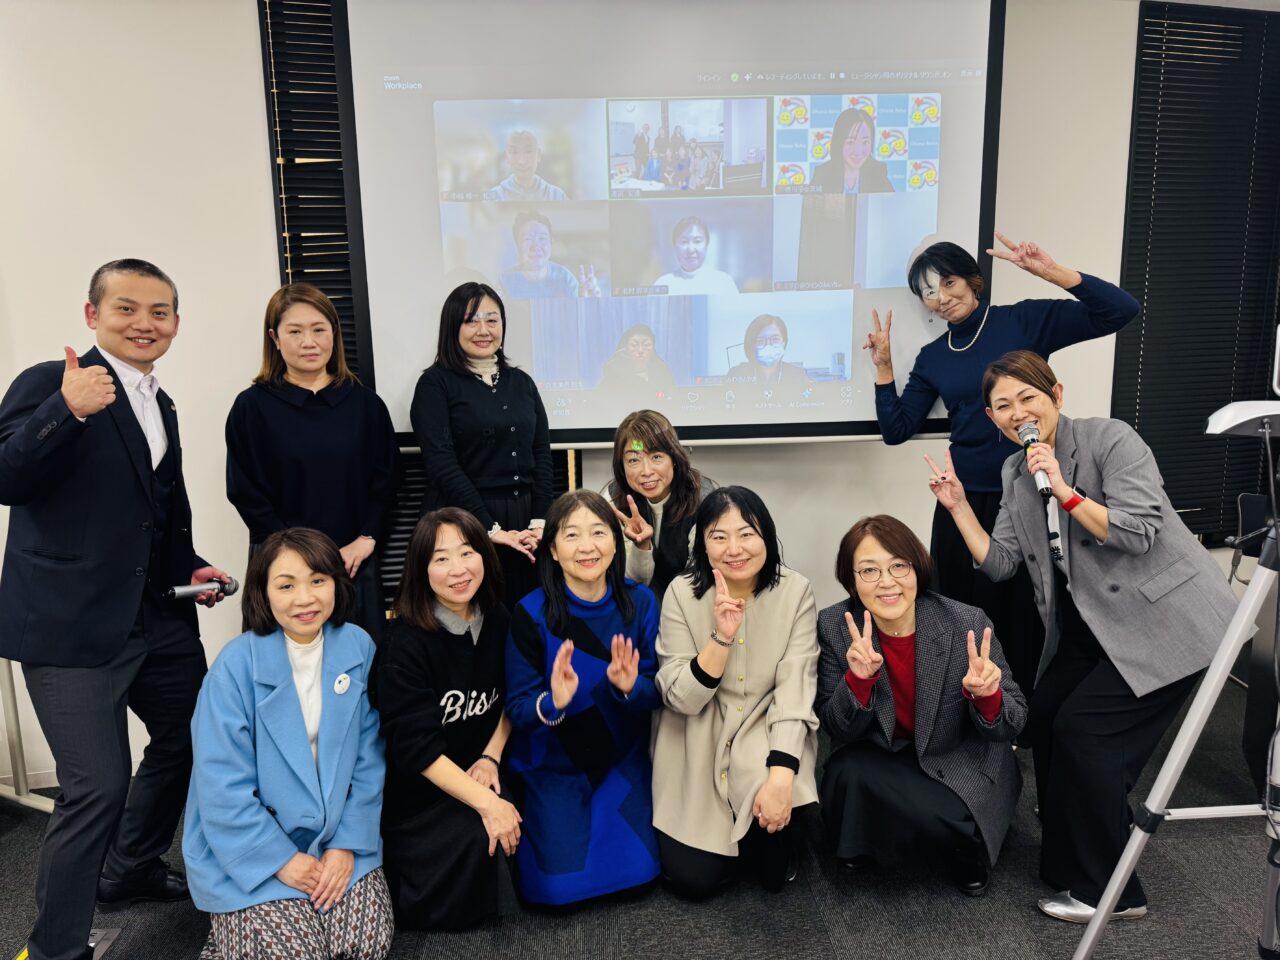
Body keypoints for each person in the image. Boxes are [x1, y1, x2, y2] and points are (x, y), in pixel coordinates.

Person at [926, 350, 1239, 922]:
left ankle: (1111, 893)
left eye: (1028, 397)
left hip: (1166, 619)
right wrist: (959, 508)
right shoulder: (1015, 474)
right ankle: (1069, 857)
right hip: (1091, 623)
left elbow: (1138, 533)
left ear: (1057, 396)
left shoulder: (1109, 440)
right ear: (992, 419)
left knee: (1088, 735)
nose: (1018, 413)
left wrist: (1065, 490)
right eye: (1003, 406)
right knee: (1044, 720)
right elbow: (1000, 564)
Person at [0, 259, 231, 960]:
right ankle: (55, 950)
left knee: (195, 738)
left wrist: (189, 565)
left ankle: (129, 867)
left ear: (176, 324)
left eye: (159, 312)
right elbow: (7, 476)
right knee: (96, 787)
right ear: (92, 315)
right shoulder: (53, 382)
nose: (144, 324)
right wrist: (66, 411)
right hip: (70, 626)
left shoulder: (162, 403)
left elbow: (153, 510)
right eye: (126, 308)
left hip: (157, 618)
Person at [866, 234, 1139, 694]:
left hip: (1031, 492)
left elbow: (1120, 311)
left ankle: (1023, 711)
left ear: (972, 280)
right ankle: (964, 705)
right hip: (962, 503)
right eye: (928, 292)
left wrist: (1052, 272)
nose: (941, 298)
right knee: (959, 612)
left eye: (948, 283)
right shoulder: (934, 357)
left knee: (1027, 613)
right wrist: (884, 367)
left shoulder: (1022, 321)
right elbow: (896, 429)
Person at [183, 528, 392, 960]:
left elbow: (369, 759)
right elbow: (221, 786)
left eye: (318, 580)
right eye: (286, 585)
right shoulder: (233, 667)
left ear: (337, 583)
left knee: (364, 947)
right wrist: (281, 860)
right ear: (263, 591)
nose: (305, 599)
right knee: (297, 955)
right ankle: (232, 937)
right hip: (250, 844)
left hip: (336, 837)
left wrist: (346, 844)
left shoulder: (358, 646)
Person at [816, 515, 1026, 897]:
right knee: (844, 774)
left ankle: (961, 844)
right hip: (887, 755)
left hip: (958, 756)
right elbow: (837, 727)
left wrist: (987, 696)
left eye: (899, 566)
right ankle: (938, 833)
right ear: (851, 578)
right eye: (869, 570)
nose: (886, 582)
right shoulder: (835, 625)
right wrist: (858, 682)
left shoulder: (966, 621)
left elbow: (1013, 721)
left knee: (956, 810)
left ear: (917, 567)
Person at [651, 486, 819, 898]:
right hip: (697, 731)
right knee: (694, 880)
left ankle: (768, 830)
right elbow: (681, 698)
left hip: (764, 725)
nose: (734, 549)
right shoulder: (681, 592)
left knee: (773, 871)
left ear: (767, 537)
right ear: (702, 545)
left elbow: (795, 690)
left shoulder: (795, 591)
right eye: (719, 536)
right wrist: (721, 639)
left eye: (747, 534)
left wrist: (780, 778)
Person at [504, 489, 662, 906]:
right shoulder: (529, 613)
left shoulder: (641, 602)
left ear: (615, 542)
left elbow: (658, 693)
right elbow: (518, 708)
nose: (587, 546)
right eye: (571, 535)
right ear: (553, 550)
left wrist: (629, 687)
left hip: (621, 760)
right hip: (555, 764)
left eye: (598, 532)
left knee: (642, 875)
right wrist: (553, 701)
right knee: (555, 892)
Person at [373, 507, 521, 929]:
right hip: (423, 795)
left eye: (467, 552)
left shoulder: (498, 617)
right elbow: (416, 752)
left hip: (481, 769)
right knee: (479, 845)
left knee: (530, 820)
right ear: (421, 569)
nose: (458, 569)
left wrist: (490, 757)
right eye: (441, 558)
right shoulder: (403, 644)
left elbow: (513, 696)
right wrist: (487, 804)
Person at [225, 283, 397, 643]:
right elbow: (246, 491)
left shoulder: (365, 404)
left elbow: (387, 481)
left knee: (360, 664)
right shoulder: (252, 407)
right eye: (295, 331)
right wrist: (297, 556)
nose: (309, 342)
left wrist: (367, 537)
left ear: (334, 333)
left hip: (353, 563)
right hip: (283, 567)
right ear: (274, 338)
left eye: (319, 329)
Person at [410, 282, 553, 606]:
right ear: (452, 326)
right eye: (471, 321)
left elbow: (542, 454)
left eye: (492, 320)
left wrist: (539, 522)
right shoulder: (434, 384)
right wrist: (489, 529)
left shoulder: (522, 382)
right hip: (462, 522)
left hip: (525, 524)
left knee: (525, 617)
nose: (484, 330)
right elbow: (441, 464)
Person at [606, 409, 713, 605]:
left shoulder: (704, 499)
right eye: (633, 460)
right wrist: (641, 546)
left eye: (656, 457)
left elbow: (700, 577)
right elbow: (631, 581)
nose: (646, 471)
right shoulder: (614, 500)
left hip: (692, 601)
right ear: (621, 466)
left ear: (674, 458)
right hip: (639, 604)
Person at [499, 211, 600, 300]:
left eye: (542, 238)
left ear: (551, 243)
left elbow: (580, 307)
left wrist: (586, 300)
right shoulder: (504, 281)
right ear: (517, 245)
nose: (536, 247)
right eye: (527, 239)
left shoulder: (565, 278)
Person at [810, 108, 894, 194]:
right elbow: (809, 201)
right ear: (839, 142)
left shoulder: (878, 172)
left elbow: (891, 201)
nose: (858, 151)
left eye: (865, 142)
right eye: (850, 142)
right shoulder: (823, 173)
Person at [654, 216, 740, 295]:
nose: (690, 249)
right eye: (684, 242)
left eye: (697, 241)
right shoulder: (663, 284)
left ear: (706, 245)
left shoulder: (724, 282)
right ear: (675, 246)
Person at [726, 314, 811, 386]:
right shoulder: (736, 374)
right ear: (752, 345)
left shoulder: (798, 376)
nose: (768, 346)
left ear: (784, 342)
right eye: (760, 341)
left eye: (775, 339)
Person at [598, 323, 676, 398]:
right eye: (634, 345)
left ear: (653, 348)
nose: (640, 350)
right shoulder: (614, 374)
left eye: (646, 345)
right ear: (626, 348)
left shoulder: (662, 371)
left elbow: (671, 398)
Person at [488, 130, 567, 202]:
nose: (522, 161)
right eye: (515, 152)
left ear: (538, 155)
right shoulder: (494, 197)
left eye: (529, 152)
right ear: (506, 157)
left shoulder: (557, 196)